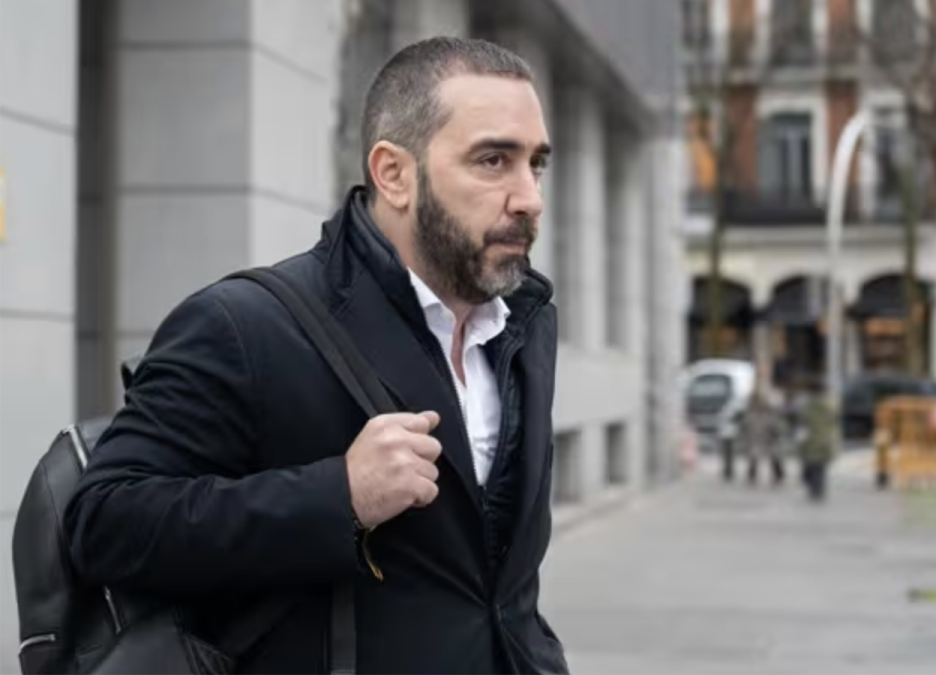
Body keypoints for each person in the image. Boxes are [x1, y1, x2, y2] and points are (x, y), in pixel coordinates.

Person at [63, 37, 568, 675]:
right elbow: (104, 524)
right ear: (394, 174)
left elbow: (502, 592)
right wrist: (338, 497)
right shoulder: (245, 324)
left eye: (535, 164)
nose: (529, 198)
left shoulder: (525, 325)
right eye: (493, 161)